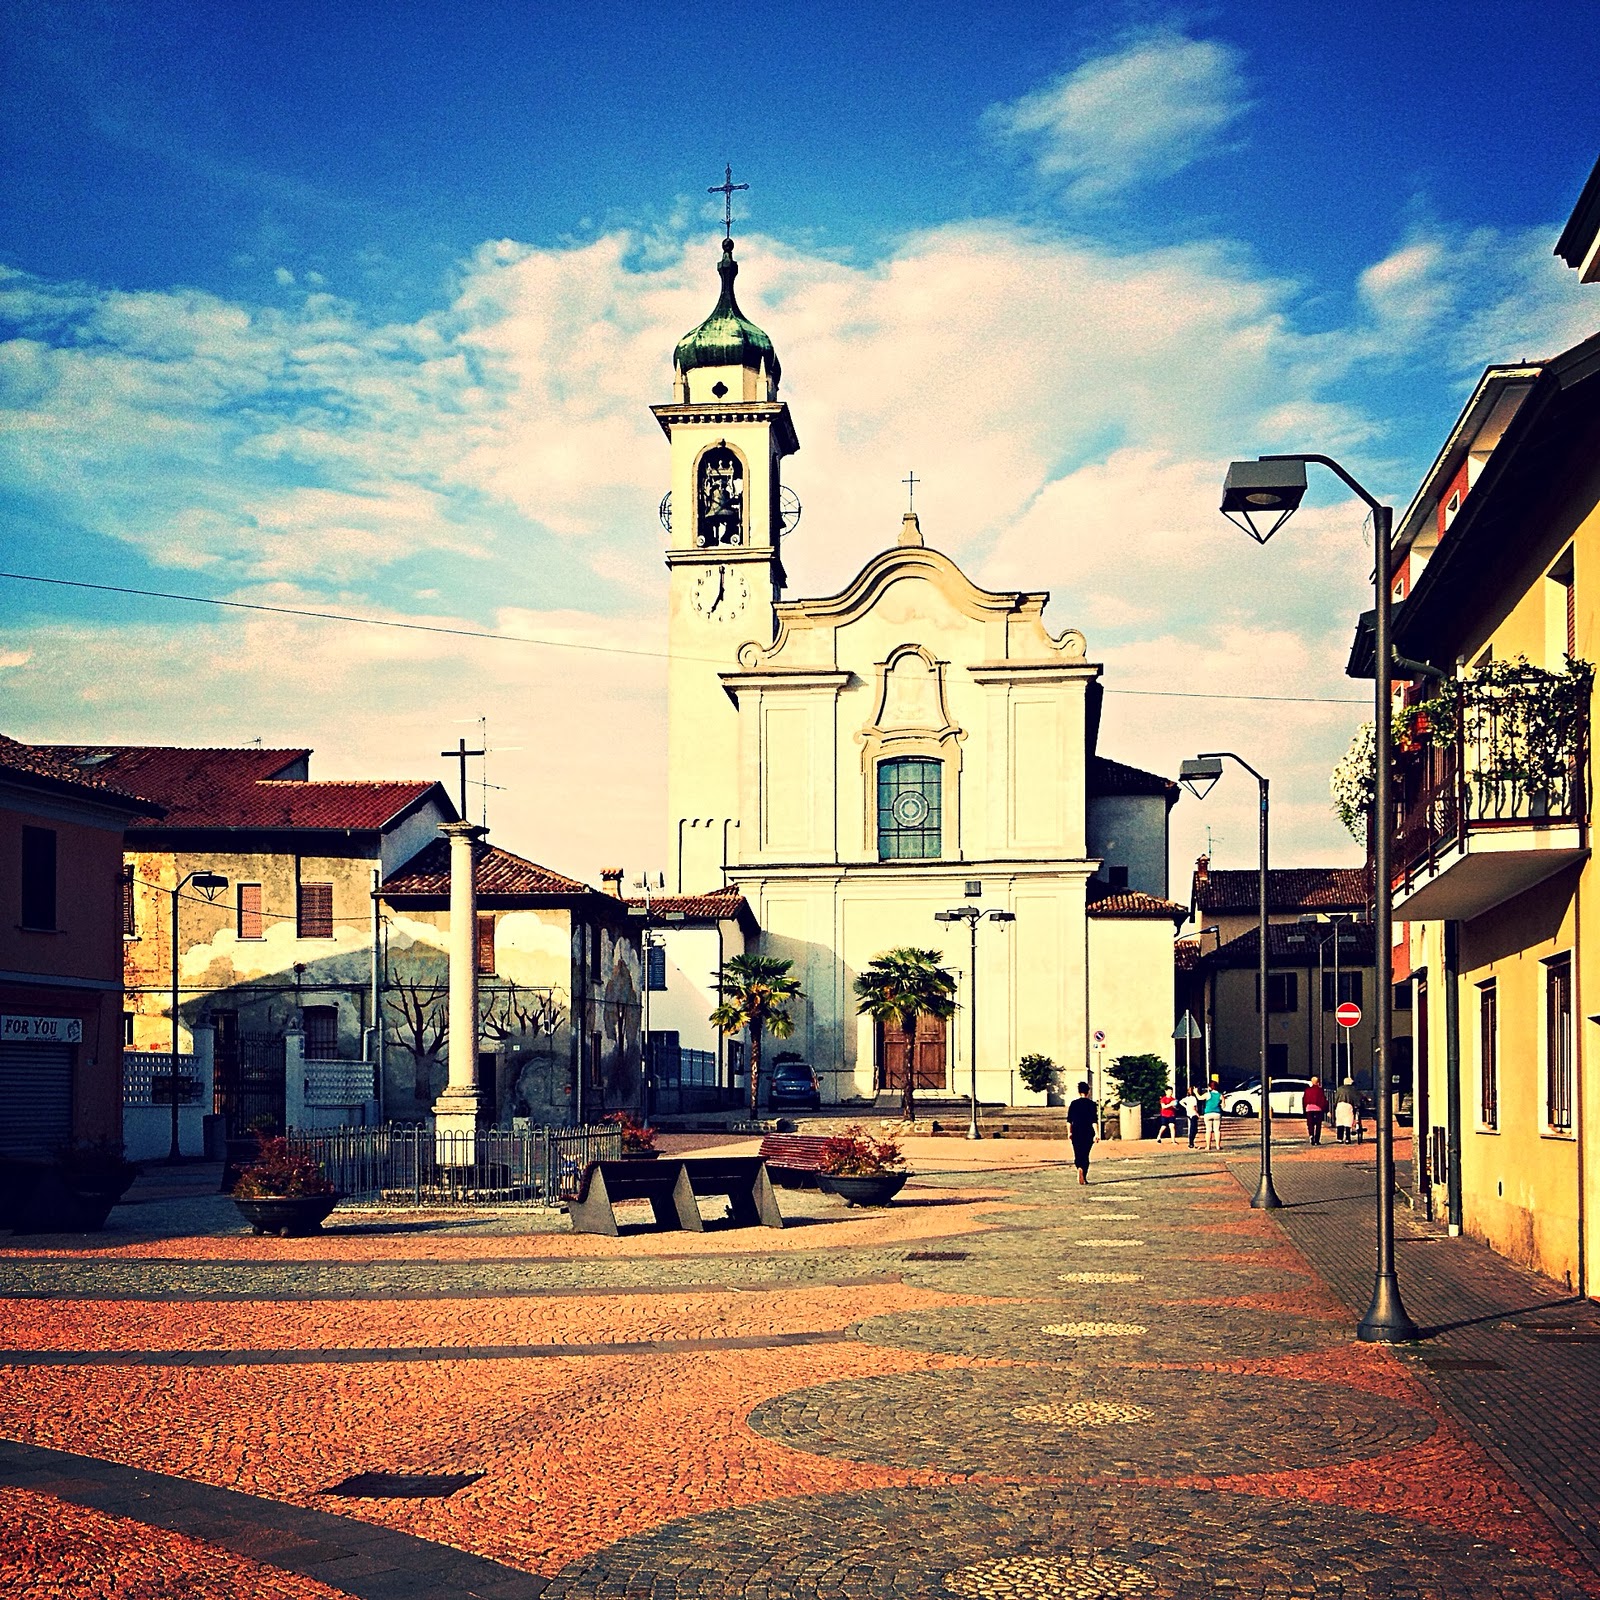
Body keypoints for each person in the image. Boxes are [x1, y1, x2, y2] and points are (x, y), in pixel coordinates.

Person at [1066, 1081, 1099, 1184]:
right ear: (1088, 1092)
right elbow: (1094, 1120)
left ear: (1079, 1091)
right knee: (1085, 1154)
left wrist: (1069, 1132)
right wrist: (1097, 1134)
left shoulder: (1074, 1104)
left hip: (1076, 1131)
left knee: (1078, 1153)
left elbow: (1069, 1120)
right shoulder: (1092, 1104)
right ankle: (1083, 1174)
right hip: (1088, 1132)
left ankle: (1079, 1167)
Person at [1332, 1075, 1361, 1143]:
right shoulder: (1352, 1089)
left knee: (1340, 1122)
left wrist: (1334, 1105)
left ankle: (1339, 1138)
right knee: (1348, 1123)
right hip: (1348, 1105)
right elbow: (1357, 1097)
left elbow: (1336, 1099)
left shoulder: (1339, 1089)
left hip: (1339, 1105)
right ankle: (1347, 1138)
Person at [1303, 1076, 1328, 1145]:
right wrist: (1326, 1109)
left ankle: (1311, 1135)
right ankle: (1317, 1139)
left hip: (1309, 1108)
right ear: (1318, 1082)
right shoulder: (1320, 1090)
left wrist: (1305, 1109)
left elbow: (1304, 1100)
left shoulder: (1307, 1090)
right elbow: (1323, 1100)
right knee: (1318, 1124)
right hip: (1318, 1109)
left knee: (1310, 1124)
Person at [1201, 1078, 1224, 1151]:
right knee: (1217, 1130)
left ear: (1210, 1087)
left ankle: (1208, 1146)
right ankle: (1218, 1146)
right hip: (1217, 1113)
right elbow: (1223, 1106)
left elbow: (1200, 1098)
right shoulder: (1220, 1095)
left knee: (1208, 1130)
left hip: (1208, 1113)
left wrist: (1196, 1092)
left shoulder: (1208, 1094)